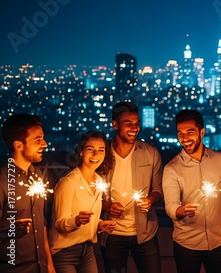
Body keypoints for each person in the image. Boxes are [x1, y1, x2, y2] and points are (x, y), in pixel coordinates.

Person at [163, 109, 221, 273]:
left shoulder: (220, 160)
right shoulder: (171, 169)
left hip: (219, 242)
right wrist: (181, 211)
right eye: (180, 133)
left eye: (190, 132)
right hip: (187, 245)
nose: (184, 138)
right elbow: (170, 206)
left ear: (202, 132)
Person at [100, 102, 163, 273]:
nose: (135, 128)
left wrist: (151, 200)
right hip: (112, 234)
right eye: (129, 123)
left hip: (145, 233)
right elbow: (91, 192)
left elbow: (158, 189)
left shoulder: (150, 153)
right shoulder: (101, 154)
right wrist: (107, 206)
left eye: (137, 123)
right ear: (115, 124)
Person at [49, 130, 117, 272]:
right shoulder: (68, 182)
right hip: (64, 253)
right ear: (81, 151)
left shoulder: (99, 181)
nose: (95, 155)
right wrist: (77, 221)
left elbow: (90, 218)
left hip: (88, 250)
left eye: (101, 150)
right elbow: (60, 224)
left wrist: (99, 224)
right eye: (90, 149)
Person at [0, 114, 55, 273]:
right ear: (18, 145)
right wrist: (8, 232)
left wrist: (50, 266)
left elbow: (41, 224)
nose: (44, 144)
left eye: (43, 138)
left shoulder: (37, 174)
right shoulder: (2, 181)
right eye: (37, 140)